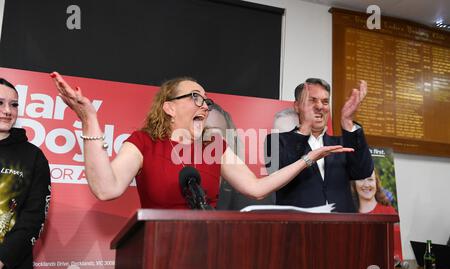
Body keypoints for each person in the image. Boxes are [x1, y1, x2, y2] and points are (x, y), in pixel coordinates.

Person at [50, 72, 353, 211]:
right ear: (168, 107)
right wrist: (89, 119)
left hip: (208, 250)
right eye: (195, 97)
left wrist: (307, 160)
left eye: (206, 100)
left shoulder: (215, 148)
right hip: (159, 253)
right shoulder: (143, 142)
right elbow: (106, 189)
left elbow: (257, 189)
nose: (205, 106)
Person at [265, 78, 374, 212]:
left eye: (325, 102)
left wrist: (347, 122)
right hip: (299, 228)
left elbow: (363, 171)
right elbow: (276, 176)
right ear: (297, 106)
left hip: (343, 227)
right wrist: (305, 127)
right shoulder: (275, 141)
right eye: (312, 100)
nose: (320, 106)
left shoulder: (340, 144)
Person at [0, 78, 51, 269]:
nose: (7, 111)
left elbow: (33, 218)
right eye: (0, 103)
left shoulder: (33, 157)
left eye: (14, 105)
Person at [204, 103, 273, 210]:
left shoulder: (250, 199)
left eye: (215, 133)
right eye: (200, 133)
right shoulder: (177, 187)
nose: (207, 141)